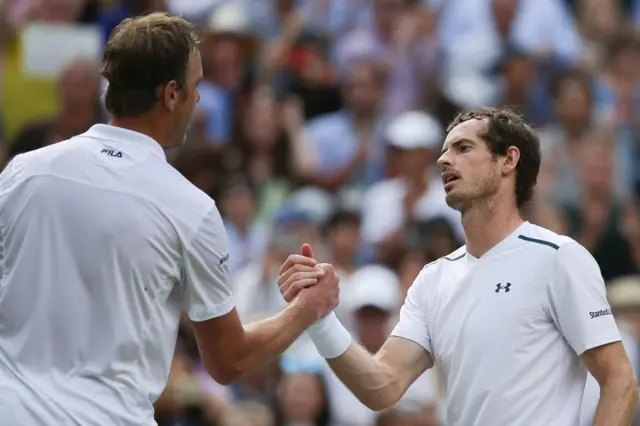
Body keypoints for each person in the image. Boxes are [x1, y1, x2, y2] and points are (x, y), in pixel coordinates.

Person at [0, 12, 337, 426]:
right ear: (171, 94)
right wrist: (307, 308)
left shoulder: (24, 171)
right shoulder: (189, 208)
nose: (198, 99)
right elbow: (230, 359)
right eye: (195, 86)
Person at [278, 107, 639, 426]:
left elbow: (619, 378)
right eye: (444, 150)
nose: (443, 161)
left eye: (463, 148)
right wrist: (320, 318)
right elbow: (383, 386)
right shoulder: (433, 279)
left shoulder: (559, 256)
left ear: (508, 160)